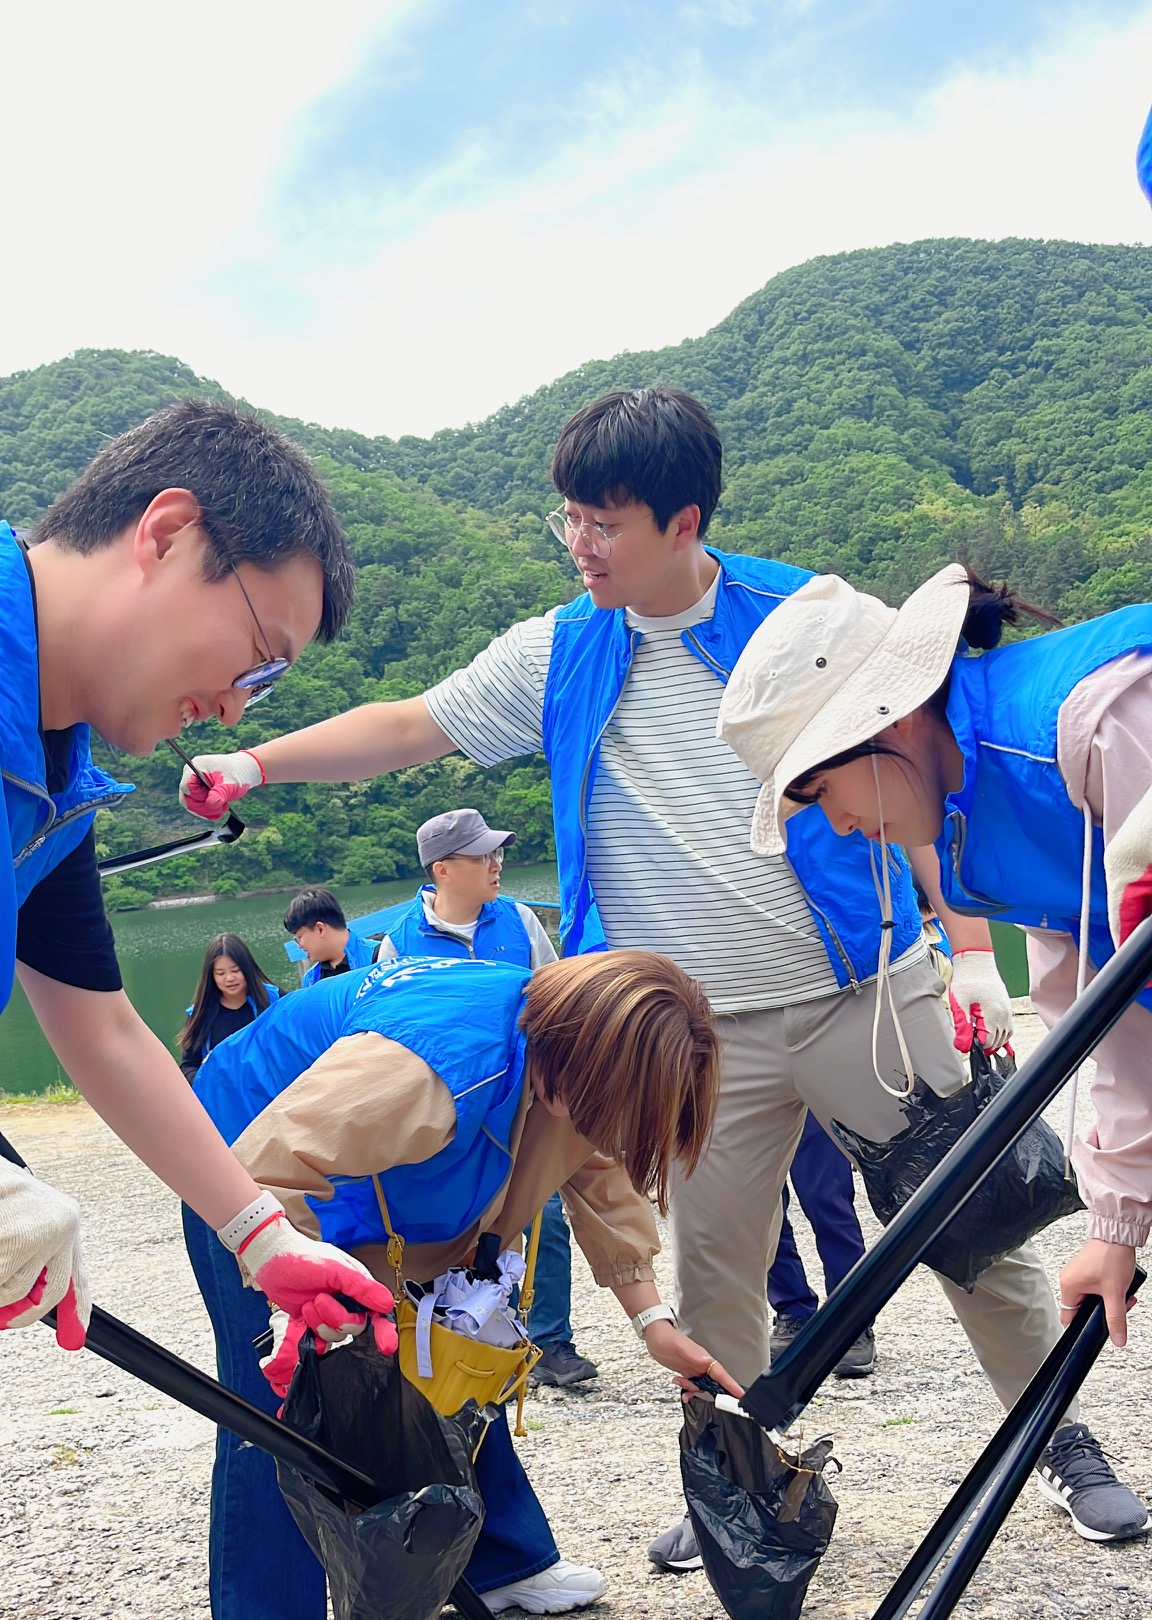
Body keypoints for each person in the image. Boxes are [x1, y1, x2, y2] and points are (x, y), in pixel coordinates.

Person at [176, 385, 1143, 1558]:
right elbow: (409, 726)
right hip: (689, 1034)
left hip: (861, 993)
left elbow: (931, 773)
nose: (579, 544)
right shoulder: (562, 653)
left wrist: (971, 958)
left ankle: (1057, 1439)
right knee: (715, 1262)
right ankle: (736, 1474)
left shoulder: (808, 622)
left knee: (971, 1228)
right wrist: (254, 761)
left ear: (684, 521)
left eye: (605, 523)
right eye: (567, 519)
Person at [0, 400, 398, 1620]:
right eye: (255, 650)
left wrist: (256, 1232)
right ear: (167, 529)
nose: (237, 706)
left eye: (274, 687)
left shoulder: (55, 763)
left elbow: (91, 1022)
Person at [185, 948, 732, 1620]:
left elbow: (598, 1168)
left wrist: (652, 1318)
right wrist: (294, 1293)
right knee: (283, 1412)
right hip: (251, 1169)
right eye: (603, 1106)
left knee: (454, 1346)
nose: (604, 1128)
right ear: (562, 1058)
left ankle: (501, 1562)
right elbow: (266, 1163)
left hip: (393, 1180)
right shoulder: (432, 1063)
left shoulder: (579, 1061)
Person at [718, 559, 1152, 1537]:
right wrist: (1116, 1223)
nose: (831, 824)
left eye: (821, 788)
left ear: (896, 719)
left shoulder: (1101, 722)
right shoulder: (977, 825)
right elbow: (1109, 1006)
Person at [376, 806, 598, 1388]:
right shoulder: (398, 945)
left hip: (524, 1101)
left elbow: (557, 1001)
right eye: (483, 856)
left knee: (543, 1214)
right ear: (444, 869)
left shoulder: (520, 921)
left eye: (497, 852)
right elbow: (390, 1041)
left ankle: (550, 1341)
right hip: (449, 1113)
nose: (497, 864)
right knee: (459, 1222)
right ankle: (460, 1333)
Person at [767, 1112, 874, 1374]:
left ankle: (851, 1319)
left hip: (810, 1085)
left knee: (827, 1200)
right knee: (762, 1209)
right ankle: (793, 1311)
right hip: (742, 1082)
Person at [178, 932, 281, 1081]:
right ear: (211, 976)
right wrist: (210, 1084)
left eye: (235, 970)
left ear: (248, 969)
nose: (230, 978)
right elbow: (188, 1066)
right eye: (220, 973)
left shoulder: (274, 999)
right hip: (224, 1095)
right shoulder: (200, 1013)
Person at [282, 885, 376, 986]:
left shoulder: (379, 956)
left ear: (320, 929)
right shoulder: (311, 980)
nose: (299, 946)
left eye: (299, 938)